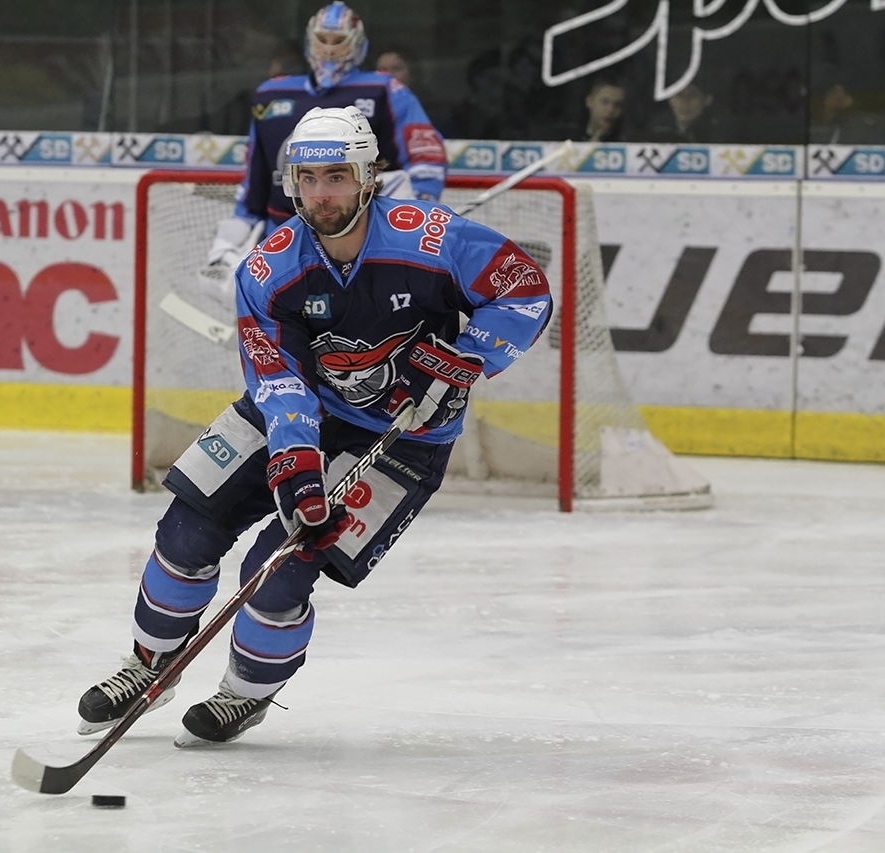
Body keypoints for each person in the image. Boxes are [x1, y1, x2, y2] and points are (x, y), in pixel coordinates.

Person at [76, 106, 552, 746]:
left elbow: (524, 290)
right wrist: (296, 464)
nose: (321, 194)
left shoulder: (433, 238)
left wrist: (465, 360)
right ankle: (148, 664)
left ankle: (245, 692)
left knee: (278, 573)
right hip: (300, 413)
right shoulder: (267, 270)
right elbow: (280, 383)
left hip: (404, 439)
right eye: (308, 178)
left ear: (368, 177)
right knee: (186, 533)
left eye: (337, 177)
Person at [190, 2, 447, 321]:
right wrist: (230, 241)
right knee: (281, 325)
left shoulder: (384, 90)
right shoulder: (270, 96)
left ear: (358, 44)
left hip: (359, 239)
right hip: (288, 239)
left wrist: (417, 217)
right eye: (322, 39)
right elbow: (255, 183)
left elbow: (426, 158)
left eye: (338, 40)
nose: (328, 49)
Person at [644, 82, 727, 144]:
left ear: (707, 100)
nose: (685, 101)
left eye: (693, 95)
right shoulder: (655, 129)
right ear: (670, 99)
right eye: (679, 95)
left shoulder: (720, 133)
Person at [579, 78, 626, 142]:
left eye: (618, 104)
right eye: (604, 102)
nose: (611, 110)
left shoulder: (626, 142)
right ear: (589, 101)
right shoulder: (569, 135)